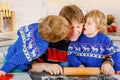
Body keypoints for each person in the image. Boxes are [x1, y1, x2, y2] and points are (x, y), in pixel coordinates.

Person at [30, 5, 115, 75]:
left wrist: (107, 63)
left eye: (79, 26)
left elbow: (108, 57)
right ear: (62, 26)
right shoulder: (51, 42)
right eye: (70, 27)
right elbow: (31, 66)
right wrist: (45, 66)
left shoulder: (90, 39)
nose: (75, 32)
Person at [0, 15, 69, 76]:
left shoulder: (36, 26)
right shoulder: (39, 48)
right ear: (54, 40)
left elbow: (20, 32)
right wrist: (3, 70)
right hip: (16, 67)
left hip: (11, 53)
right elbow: (18, 58)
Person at [68, 10, 120, 75]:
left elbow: (115, 52)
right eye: (85, 22)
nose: (84, 25)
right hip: (81, 72)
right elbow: (71, 54)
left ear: (98, 28)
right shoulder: (78, 38)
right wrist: (79, 65)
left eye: (89, 23)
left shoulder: (104, 39)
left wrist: (118, 67)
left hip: (99, 73)